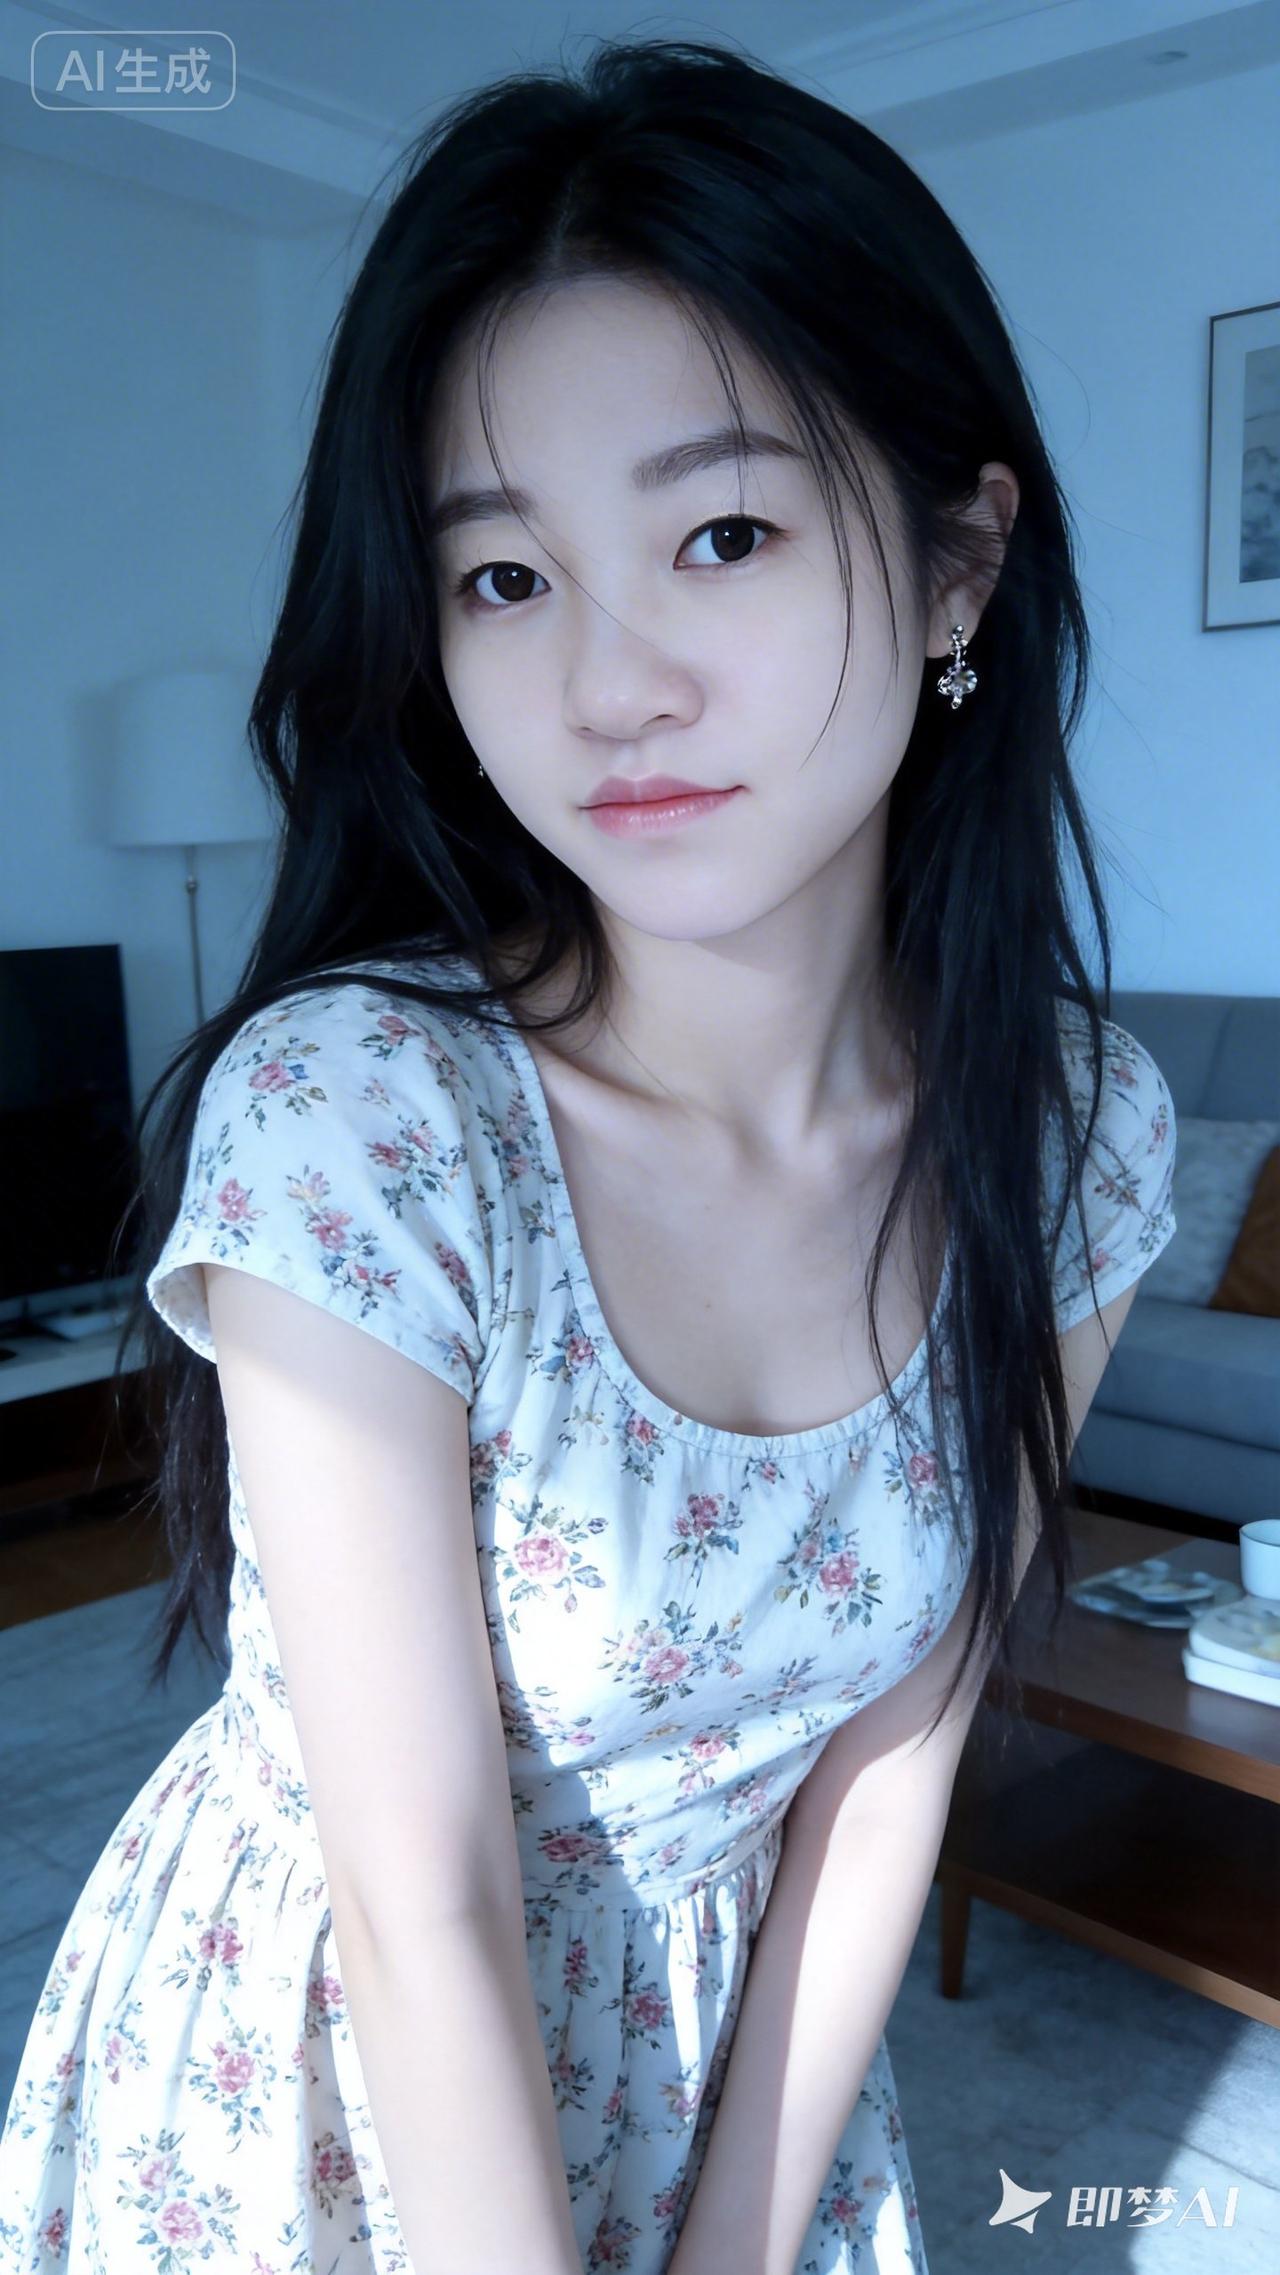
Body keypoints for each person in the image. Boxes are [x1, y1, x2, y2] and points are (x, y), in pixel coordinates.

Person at [0, 33, 1177, 2275]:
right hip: (335, 2082)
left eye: (720, 535)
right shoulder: (367, 1118)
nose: (608, 685)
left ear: (957, 567)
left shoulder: (1075, 1133)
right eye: (503, 579)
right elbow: (419, 1889)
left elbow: (892, 1761)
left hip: (736, 2063)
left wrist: (739, 2230)